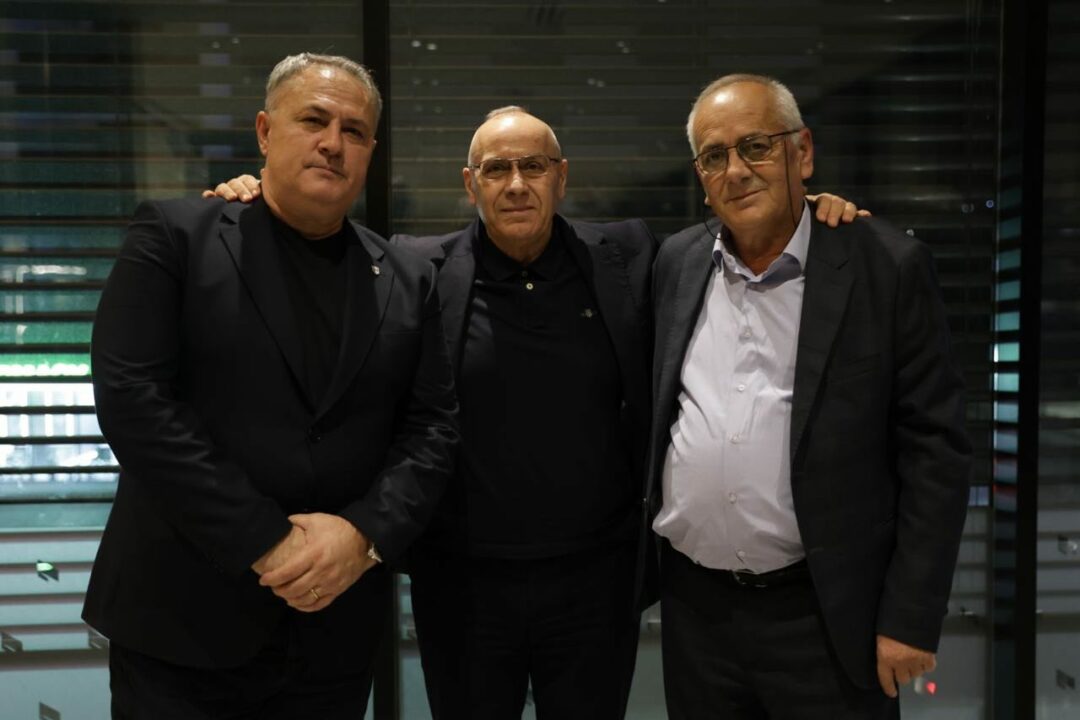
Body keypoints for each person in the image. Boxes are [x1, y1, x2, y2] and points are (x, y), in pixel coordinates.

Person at [209, 107, 862, 720]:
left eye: (533, 166)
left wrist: (810, 213)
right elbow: (322, 258)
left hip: (596, 585)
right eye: (497, 169)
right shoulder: (417, 268)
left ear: (561, 177)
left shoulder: (627, 256)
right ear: (471, 184)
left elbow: (730, 241)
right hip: (462, 588)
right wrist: (256, 203)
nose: (517, 184)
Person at [84, 52, 459, 719]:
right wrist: (265, 540)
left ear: (370, 151)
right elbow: (133, 401)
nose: (333, 142)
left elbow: (430, 428)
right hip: (180, 627)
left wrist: (363, 536)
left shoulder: (407, 278)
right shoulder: (176, 236)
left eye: (354, 131)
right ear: (264, 131)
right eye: (313, 120)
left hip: (334, 634)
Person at [646, 73, 972, 720]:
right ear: (701, 178)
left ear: (803, 152)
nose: (737, 170)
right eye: (714, 156)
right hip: (696, 617)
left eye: (756, 146)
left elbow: (936, 455)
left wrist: (910, 616)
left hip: (827, 617)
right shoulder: (676, 262)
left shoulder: (884, 267)